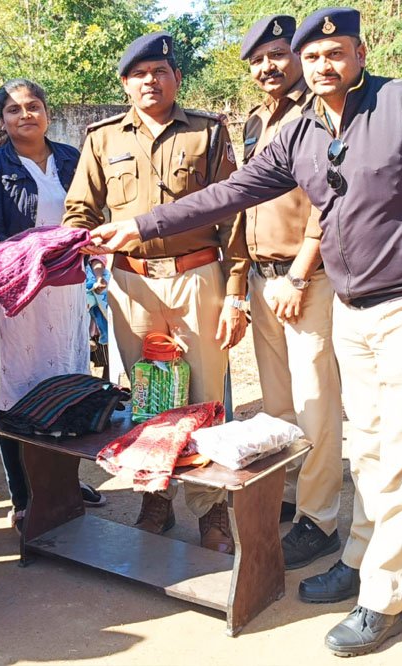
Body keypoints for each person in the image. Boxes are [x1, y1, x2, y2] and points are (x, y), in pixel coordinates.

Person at [90, 8, 402, 656]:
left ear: (360, 53)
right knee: (370, 451)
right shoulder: (301, 130)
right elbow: (232, 193)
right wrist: (142, 225)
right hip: (352, 310)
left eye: (336, 53)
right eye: (314, 56)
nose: (324, 65)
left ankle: (384, 600)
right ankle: (358, 560)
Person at [63, 31, 250, 555]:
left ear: (177, 79)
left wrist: (236, 293)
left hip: (198, 278)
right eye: (139, 74)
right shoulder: (102, 139)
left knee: (206, 399)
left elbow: (233, 214)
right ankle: (156, 499)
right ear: (125, 84)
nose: (150, 81)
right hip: (131, 283)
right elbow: (80, 210)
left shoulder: (208, 132)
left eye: (160, 72)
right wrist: (84, 244)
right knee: (149, 397)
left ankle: (211, 510)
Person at [235, 15, 344, 570]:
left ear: (298, 56)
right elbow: (246, 201)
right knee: (278, 404)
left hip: (306, 280)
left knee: (316, 403)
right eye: (257, 60)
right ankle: (289, 494)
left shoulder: (321, 113)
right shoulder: (257, 120)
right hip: (263, 278)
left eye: (277, 55)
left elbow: (332, 199)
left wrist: (300, 272)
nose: (267, 67)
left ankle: (319, 518)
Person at [0, 78, 104, 528]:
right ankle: (25, 496)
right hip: (18, 297)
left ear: (47, 112)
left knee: (68, 384)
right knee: (19, 392)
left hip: (67, 291)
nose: (25, 115)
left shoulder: (71, 158)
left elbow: (90, 215)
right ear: (2, 119)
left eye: (33, 106)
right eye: (14, 109)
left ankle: (64, 486)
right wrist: (36, 256)